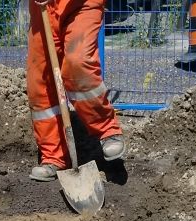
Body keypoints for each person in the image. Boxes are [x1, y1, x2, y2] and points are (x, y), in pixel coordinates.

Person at [26, 0, 125, 182]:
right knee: (39, 80)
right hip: (42, 8)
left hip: (81, 4)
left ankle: (107, 131)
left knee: (77, 63)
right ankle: (53, 156)